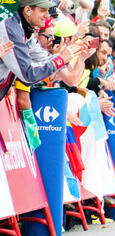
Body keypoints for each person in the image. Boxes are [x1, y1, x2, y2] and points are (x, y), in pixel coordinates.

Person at [0, 0, 85, 152]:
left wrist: (76, 55)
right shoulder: (10, 29)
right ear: (28, 10)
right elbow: (27, 74)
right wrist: (60, 59)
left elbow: (69, 77)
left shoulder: (26, 31)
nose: (47, 16)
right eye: (43, 10)